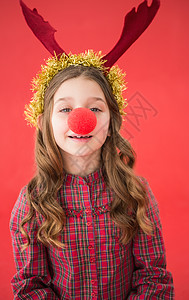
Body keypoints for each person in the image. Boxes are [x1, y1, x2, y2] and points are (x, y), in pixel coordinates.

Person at [10, 1, 174, 299]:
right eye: (65, 109)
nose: (81, 120)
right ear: (44, 122)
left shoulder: (136, 193)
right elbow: (30, 287)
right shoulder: (32, 202)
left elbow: (154, 278)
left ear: (111, 123)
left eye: (96, 108)